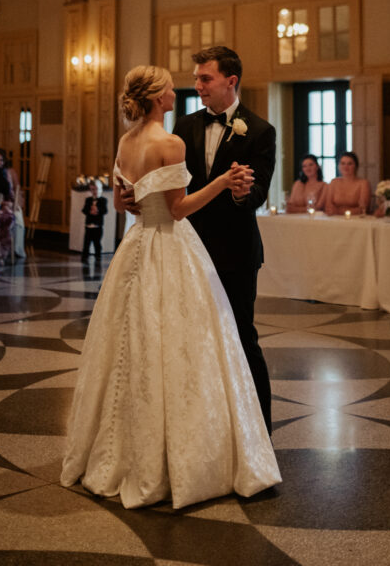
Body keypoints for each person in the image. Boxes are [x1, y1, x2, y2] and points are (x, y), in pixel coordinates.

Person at [61, 65, 280, 509]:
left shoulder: (127, 141)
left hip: (137, 245)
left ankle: (125, 445)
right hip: (171, 245)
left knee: (135, 341)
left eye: (202, 78)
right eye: (170, 85)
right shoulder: (173, 139)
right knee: (187, 344)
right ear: (157, 95)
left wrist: (129, 201)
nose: (181, 89)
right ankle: (190, 451)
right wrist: (221, 181)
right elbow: (179, 209)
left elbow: (126, 197)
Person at [171, 45, 276, 433]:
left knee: (242, 338)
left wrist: (240, 192)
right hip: (190, 250)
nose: (197, 85)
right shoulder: (183, 126)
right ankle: (202, 423)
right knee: (192, 338)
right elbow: (174, 184)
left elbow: (259, 191)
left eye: (205, 78)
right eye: (197, 78)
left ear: (230, 81)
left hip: (236, 253)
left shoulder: (261, 130)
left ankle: (260, 430)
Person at [324, 151, 371, 216]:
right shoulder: (333, 182)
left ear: (356, 166)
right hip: (335, 218)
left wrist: (339, 211)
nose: (346, 167)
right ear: (339, 166)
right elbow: (328, 206)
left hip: (356, 219)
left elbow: (363, 208)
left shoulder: (363, 183)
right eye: (343, 163)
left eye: (350, 164)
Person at [0, 149, 17, 263]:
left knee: (6, 218)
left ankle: (1, 253)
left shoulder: (6, 174)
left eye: (0, 160)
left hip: (3, 204)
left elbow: (10, 194)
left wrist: (6, 203)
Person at [81, 180, 107, 262]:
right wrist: (90, 211)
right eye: (92, 189)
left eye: (96, 189)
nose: (95, 191)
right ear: (90, 190)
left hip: (98, 226)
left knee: (97, 243)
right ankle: (85, 257)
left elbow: (105, 211)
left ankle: (98, 257)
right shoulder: (88, 200)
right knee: (86, 242)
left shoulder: (103, 200)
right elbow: (84, 210)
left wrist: (98, 210)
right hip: (88, 225)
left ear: (100, 189)